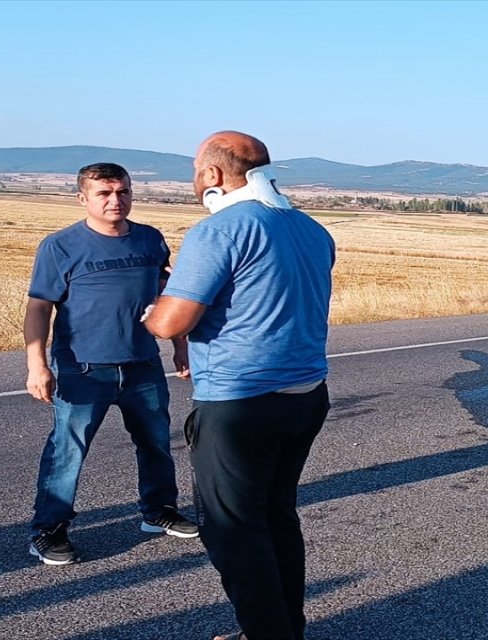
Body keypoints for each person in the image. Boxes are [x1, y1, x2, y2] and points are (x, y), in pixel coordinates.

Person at [144, 131, 335, 640]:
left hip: (239, 400)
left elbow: (171, 323)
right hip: (306, 394)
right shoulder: (312, 229)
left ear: (212, 175)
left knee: (233, 530)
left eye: (194, 170)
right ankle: (281, 628)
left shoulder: (220, 229)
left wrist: (156, 311)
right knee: (275, 518)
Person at [25, 162, 197, 566]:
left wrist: (180, 346)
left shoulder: (150, 240)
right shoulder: (60, 246)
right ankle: (48, 530)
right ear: (83, 198)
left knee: (155, 442)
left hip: (142, 364)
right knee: (67, 450)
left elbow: (166, 295)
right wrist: (37, 364)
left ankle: (158, 511)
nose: (115, 200)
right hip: (83, 367)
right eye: (103, 193)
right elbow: (39, 307)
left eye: (122, 192)